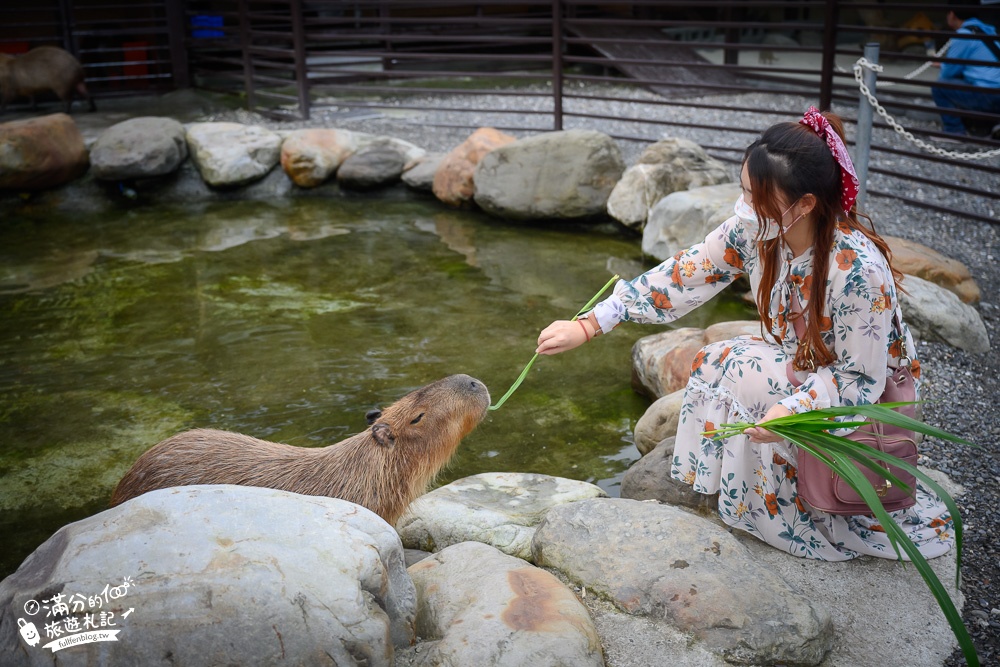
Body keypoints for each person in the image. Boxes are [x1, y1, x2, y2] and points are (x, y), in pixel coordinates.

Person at [536, 108, 955, 562]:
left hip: (863, 398)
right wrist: (592, 322)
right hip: (808, 366)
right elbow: (687, 273)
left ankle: (802, 505)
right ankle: (751, 494)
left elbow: (860, 381)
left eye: (756, 196)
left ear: (806, 204)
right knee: (715, 360)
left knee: (750, 376)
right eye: (744, 190)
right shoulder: (759, 230)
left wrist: (791, 409)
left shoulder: (857, 272)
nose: (744, 206)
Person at [932, 0, 1000, 136]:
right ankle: (989, 125)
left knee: (939, 87)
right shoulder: (988, 30)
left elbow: (947, 73)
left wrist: (943, 65)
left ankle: (954, 131)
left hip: (989, 94)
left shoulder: (963, 35)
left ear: (952, 15)